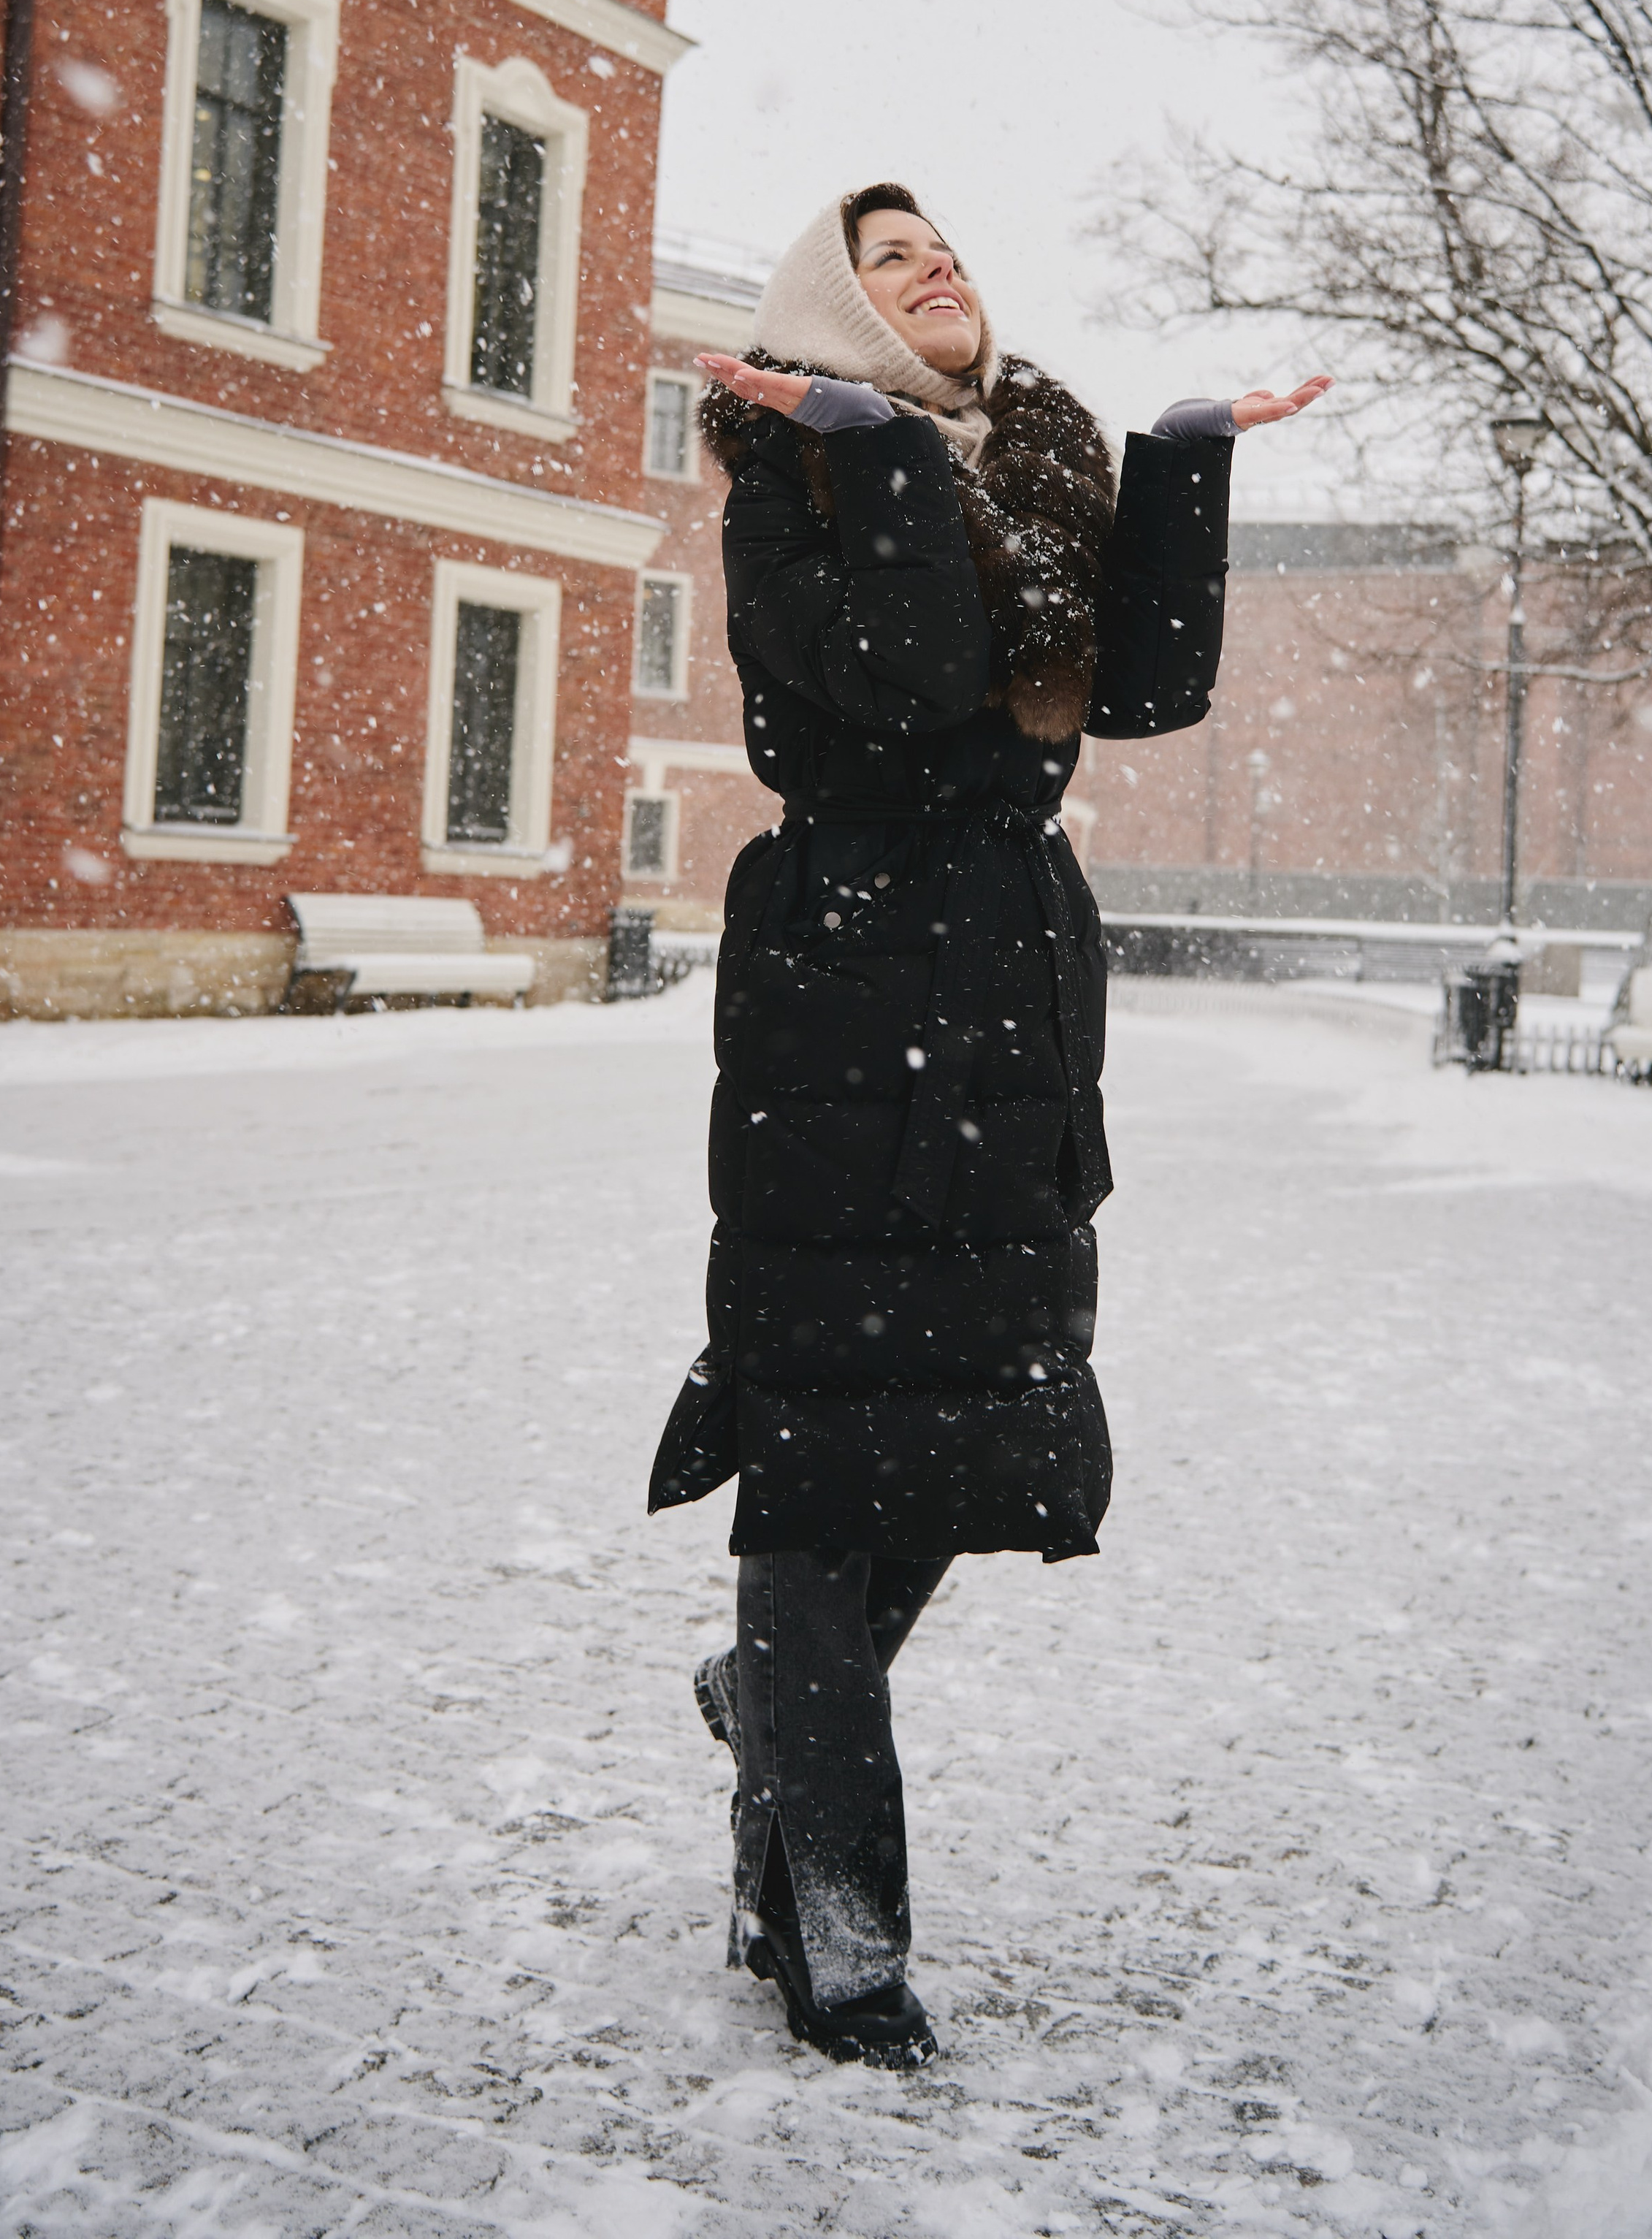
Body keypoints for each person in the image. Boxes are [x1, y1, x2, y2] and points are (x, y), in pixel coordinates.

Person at [648, 183, 1328, 2069]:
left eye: (942, 242)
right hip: (845, 987)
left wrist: (1174, 470)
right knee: (821, 1441)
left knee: (973, 1429)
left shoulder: (1027, 464)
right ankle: (839, 1935)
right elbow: (900, 684)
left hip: (1018, 990)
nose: (937, 265)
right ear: (827, 318)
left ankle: (777, 1703)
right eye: (887, 258)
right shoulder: (786, 483)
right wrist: (869, 463)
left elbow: (1148, 689)